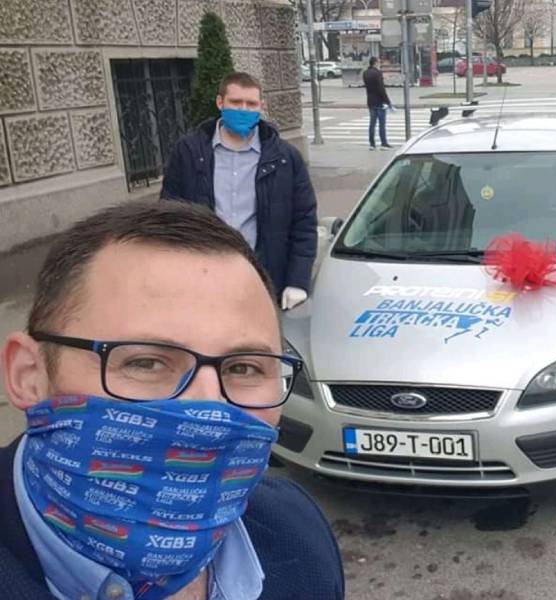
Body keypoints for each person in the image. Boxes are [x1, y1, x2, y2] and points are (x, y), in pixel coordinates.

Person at [0, 202, 345, 599]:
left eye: (244, 368)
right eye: (146, 362)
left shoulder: (300, 535)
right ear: (28, 374)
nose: (210, 412)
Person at [160, 72, 317, 312]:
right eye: (236, 102)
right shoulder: (189, 152)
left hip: (261, 276)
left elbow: (304, 222)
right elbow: (168, 216)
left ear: (261, 106)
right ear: (220, 102)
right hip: (201, 275)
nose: (243, 110)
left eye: (251, 104)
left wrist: (298, 281)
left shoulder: (285, 158)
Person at [362, 57, 392, 151]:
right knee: (381, 123)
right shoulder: (378, 73)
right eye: (379, 62)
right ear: (375, 63)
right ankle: (383, 143)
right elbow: (381, 88)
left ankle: (372, 144)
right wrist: (387, 101)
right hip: (379, 101)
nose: (379, 64)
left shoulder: (365, 73)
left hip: (370, 100)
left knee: (372, 123)